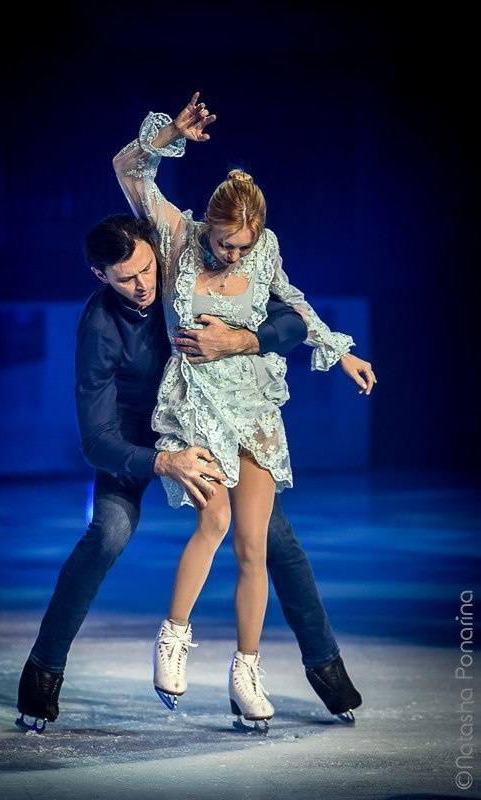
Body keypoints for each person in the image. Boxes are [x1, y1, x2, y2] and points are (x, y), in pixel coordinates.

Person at [112, 92, 376, 728]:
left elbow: (293, 302)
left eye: (244, 246)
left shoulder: (264, 249)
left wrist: (339, 351)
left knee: (254, 546)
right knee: (215, 520)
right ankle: (173, 637)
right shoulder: (177, 236)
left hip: (254, 404)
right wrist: (166, 136)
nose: (234, 255)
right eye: (227, 243)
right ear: (210, 225)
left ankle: (246, 671)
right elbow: (127, 169)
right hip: (197, 401)